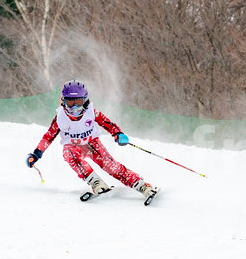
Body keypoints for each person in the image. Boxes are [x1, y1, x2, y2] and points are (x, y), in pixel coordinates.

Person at [26, 80, 158, 203]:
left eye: (78, 102)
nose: (75, 107)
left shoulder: (92, 113)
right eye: (70, 102)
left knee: (111, 166)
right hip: (73, 146)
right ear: (63, 101)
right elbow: (48, 137)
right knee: (68, 153)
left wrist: (118, 134)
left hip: (92, 145)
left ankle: (142, 186)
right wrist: (36, 154)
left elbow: (108, 124)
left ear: (85, 101)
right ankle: (96, 182)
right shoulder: (60, 118)